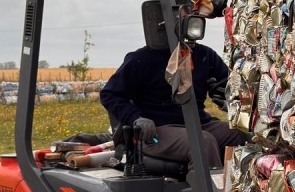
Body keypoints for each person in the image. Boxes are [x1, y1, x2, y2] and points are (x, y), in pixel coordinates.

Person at [101, 35, 243, 170]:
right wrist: (135, 118)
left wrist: (230, 101)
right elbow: (110, 94)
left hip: (199, 123)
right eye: (183, 11)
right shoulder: (142, 59)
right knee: (202, 143)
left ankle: (244, 191)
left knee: (245, 134)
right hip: (155, 130)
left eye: (191, 11)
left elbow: (229, 85)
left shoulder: (204, 55)